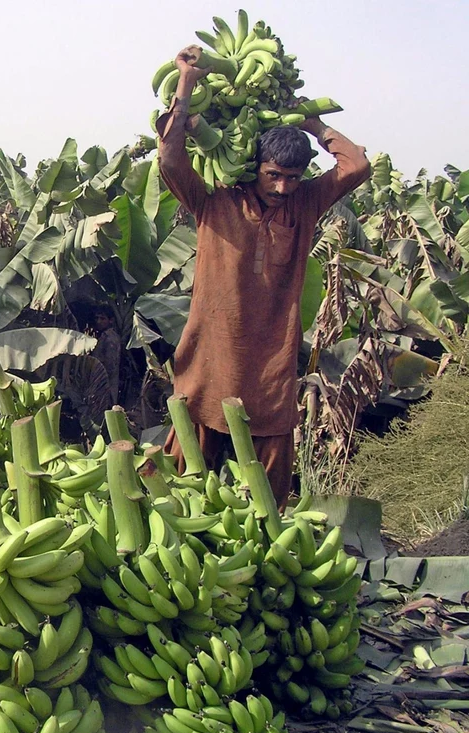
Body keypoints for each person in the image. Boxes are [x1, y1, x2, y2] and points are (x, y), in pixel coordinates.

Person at [156, 45, 371, 508]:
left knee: (269, 478)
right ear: (255, 168)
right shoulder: (216, 202)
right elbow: (171, 161)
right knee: (181, 469)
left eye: (293, 178)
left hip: (271, 358)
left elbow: (356, 166)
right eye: (274, 176)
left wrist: (313, 125)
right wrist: (187, 85)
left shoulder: (305, 205)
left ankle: (266, 539)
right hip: (211, 351)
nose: (282, 187)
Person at [91, 306, 121, 407]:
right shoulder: (103, 336)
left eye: (102, 318)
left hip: (106, 385)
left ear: (111, 320)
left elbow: (110, 365)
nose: (99, 321)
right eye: (97, 318)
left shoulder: (110, 338)